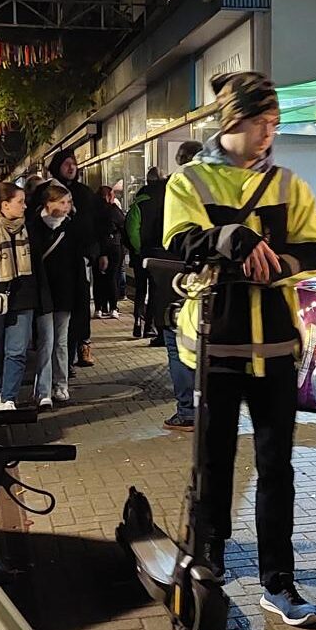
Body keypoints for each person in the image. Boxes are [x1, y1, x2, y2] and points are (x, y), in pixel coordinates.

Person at [164, 70, 316, 626]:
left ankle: (278, 582)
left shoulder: (291, 184)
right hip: (216, 346)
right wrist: (229, 238)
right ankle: (208, 563)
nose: (269, 133)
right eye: (262, 121)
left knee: (276, 466)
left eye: (275, 123)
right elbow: (176, 239)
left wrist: (281, 263)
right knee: (213, 461)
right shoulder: (188, 182)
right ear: (232, 120)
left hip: (277, 346)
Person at [145, 142, 205, 425]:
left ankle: (187, 410)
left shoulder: (164, 191)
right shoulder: (216, 191)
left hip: (170, 275)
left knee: (175, 343)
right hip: (205, 279)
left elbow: (146, 236)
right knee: (203, 343)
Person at [37, 148, 103, 367]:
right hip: (54, 264)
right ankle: (60, 364)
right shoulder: (45, 191)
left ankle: (80, 348)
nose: (71, 167)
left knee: (80, 307)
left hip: (80, 259)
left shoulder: (84, 193)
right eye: (66, 163)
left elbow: (96, 223)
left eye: (73, 163)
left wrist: (98, 251)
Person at [0, 183, 40, 410]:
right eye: (20, 202)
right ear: (5, 205)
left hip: (23, 296)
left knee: (16, 351)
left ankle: (8, 398)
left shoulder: (30, 229)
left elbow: (38, 268)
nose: (25, 206)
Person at [30, 184, 79, 408]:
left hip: (64, 292)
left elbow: (77, 263)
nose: (66, 207)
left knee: (60, 341)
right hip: (42, 291)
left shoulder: (71, 228)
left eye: (68, 202)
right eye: (62, 202)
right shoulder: (34, 228)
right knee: (46, 341)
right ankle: (43, 390)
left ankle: (61, 385)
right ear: (48, 203)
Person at [125, 167, 163, 339]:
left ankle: (137, 323)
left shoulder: (138, 202)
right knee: (155, 290)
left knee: (140, 288)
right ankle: (150, 325)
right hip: (159, 254)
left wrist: (139, 249)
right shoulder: (166, 199)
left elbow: (132, 229)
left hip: (142, 254)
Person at [93, 184, 126, 318]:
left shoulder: (92, 211)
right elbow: (123, 224)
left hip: (96, 248)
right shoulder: (113, 210)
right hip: (113, 247)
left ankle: (99, 308)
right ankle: (113, 307)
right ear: (108, 196)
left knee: (98, 278)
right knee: (112, 277)